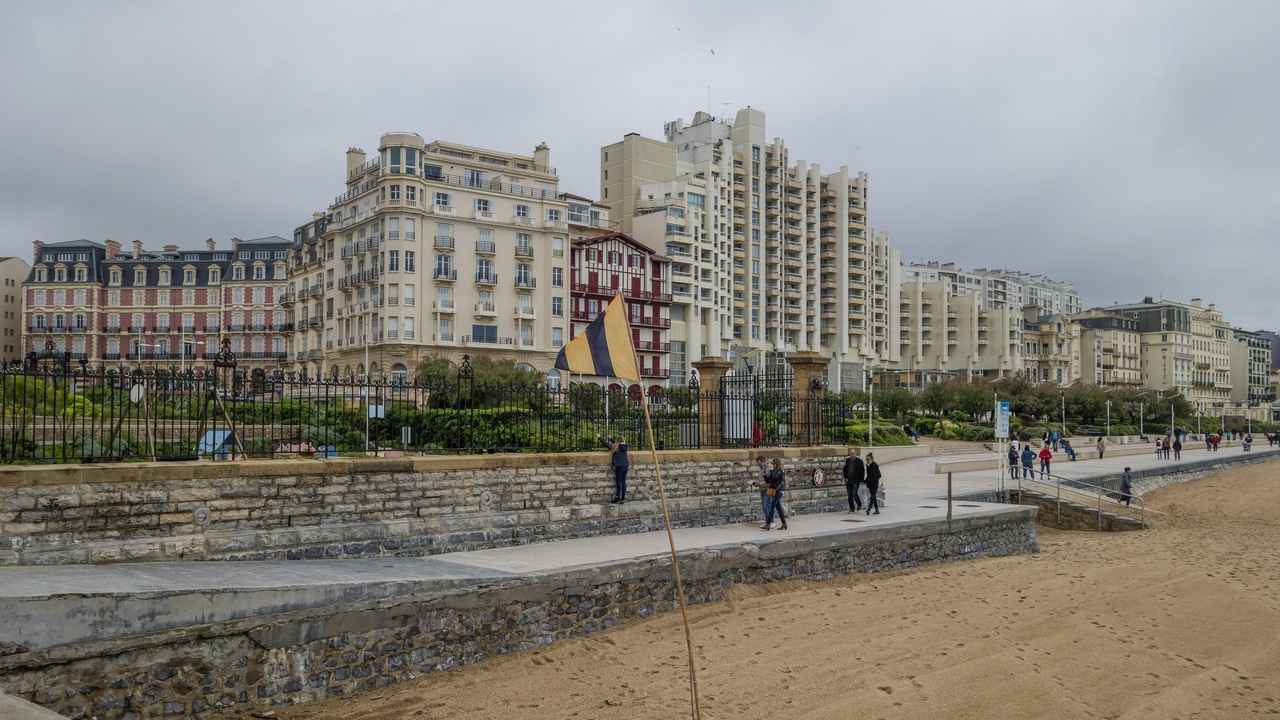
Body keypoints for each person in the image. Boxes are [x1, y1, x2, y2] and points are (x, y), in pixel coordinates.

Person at [596, 433, 629, 504]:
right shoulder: (625, 447)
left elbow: (606, 444)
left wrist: (600, 438)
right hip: (625, 466)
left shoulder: (615, 447)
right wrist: (611, 438)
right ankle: (623, 497)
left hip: (619, 466)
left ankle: (617, 497)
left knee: (618, 482)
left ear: (617, 441)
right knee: (623, 481)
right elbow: (618, 444)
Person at [761, 458, 788, 530]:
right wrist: (764, 474)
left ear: (777, 464)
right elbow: (768, 481)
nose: (772, 465)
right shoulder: (773, 471)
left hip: (779, 491)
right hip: (773, 491)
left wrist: (770, 470)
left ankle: (768, 524)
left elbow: (775, 478)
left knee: (771, 506)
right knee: (778, 508)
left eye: (773, 464)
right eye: (772, 463)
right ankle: (784, 524)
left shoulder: (780, 471)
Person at [751, 455, 776, 528]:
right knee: (764, 507)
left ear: (764, 462)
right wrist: (757, 483)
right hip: (762, 489)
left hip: (768, 489)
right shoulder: (761, 469)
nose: (759, 466)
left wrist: (760, 484)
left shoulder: (770, 468)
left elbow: (769, 481)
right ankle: (767, 522)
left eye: (760, 464)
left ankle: (771, 521)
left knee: (767, 506)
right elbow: (762, 479)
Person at [842, 447, 865, 513]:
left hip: (856, 480)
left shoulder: (859, 461)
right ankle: (852, 508)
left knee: (854, 493)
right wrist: (845, 477)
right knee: (849, 495)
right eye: (851, 453)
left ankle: (859, 504)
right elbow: (845, 469)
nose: (852, 455)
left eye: (853, 453)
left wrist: (861, 480)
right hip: (849, 480)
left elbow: (862, 471)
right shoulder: (847, 460)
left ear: (855, 454)